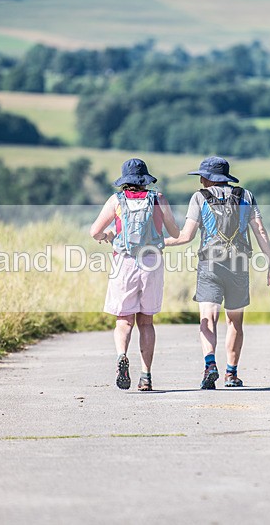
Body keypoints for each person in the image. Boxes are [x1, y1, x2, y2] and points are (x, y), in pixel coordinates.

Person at [165, 156, 270, 389]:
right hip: (238, 266)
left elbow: (186, 236)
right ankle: (231, 374)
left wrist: (158, 243)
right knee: (235, 321)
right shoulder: (247, 196)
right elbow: (260, 231)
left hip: (210, 265)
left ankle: (209, 365)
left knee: (208, 317)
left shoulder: (199, 197)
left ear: (207, 178)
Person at [89, 158, 180, 392]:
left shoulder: (116, 201)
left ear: (125, 181)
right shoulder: (158, 199)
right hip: (151, 263)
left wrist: (108, 236)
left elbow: (94, 232)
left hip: (124, 263)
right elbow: (175, 232)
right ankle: (146, 376)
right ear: (145, 179)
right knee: (146, 321)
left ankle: (122, 355)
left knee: (124, 320)